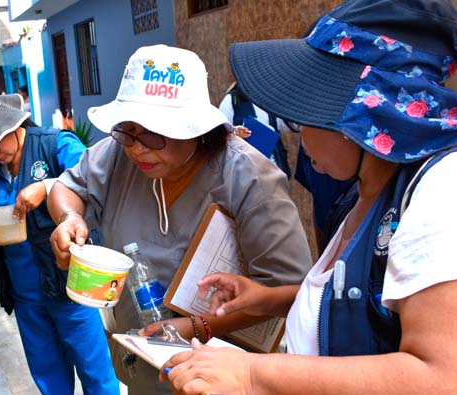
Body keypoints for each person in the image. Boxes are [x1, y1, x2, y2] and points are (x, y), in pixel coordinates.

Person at [162, 1, 457, 394]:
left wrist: (252, 373)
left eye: (309, 116)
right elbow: (366, 304)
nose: (300, 137)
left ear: (367, 115)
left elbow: (442, 377)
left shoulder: (440, 190)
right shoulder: (367, 193)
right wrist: (270, 300)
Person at [47, 44, 312, 394]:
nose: (138, 148)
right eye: (128, 131)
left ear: (195, 129)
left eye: (154, 134)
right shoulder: (118, 155)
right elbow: (68, 187)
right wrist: (68, 217)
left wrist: (198, 326)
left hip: (220, 377)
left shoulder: (248, 177)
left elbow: (289, 292)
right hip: (143, 369)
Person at [0, 87, 119, 395]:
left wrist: (46, 187)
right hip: (26, 296)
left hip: (70, 285)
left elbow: (94, 179)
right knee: (49, 377)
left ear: (11, 125)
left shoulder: (55, 145)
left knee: (97, 375)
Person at [219, 82, 293, 178]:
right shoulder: (231, 101)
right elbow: (223, 138)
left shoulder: (269, 96)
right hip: (249, 174)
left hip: (276, 169)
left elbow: (282, 126)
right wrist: (236, 135)